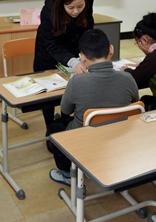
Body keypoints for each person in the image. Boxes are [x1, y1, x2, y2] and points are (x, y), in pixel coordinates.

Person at [48, 29, 139, 185]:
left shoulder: (76, 82)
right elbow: (135, 104)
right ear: (111, 50)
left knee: (55, 128)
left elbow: (65, 111)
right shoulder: (128, 78)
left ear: (81, 57)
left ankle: (67, 173)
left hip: (85, 138)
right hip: (121, 136)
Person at [34, 0, 94, 129]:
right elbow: (52, 45)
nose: (76, 11)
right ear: (61, 4)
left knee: (71, 87)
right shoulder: (49, 11)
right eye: (70, 7)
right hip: (48, 51)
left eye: (80, 6)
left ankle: (66, 123)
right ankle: (50, 129)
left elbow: (88, 27)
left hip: (74, 43)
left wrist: (88, 53)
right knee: (47, 94)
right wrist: (72, 61)